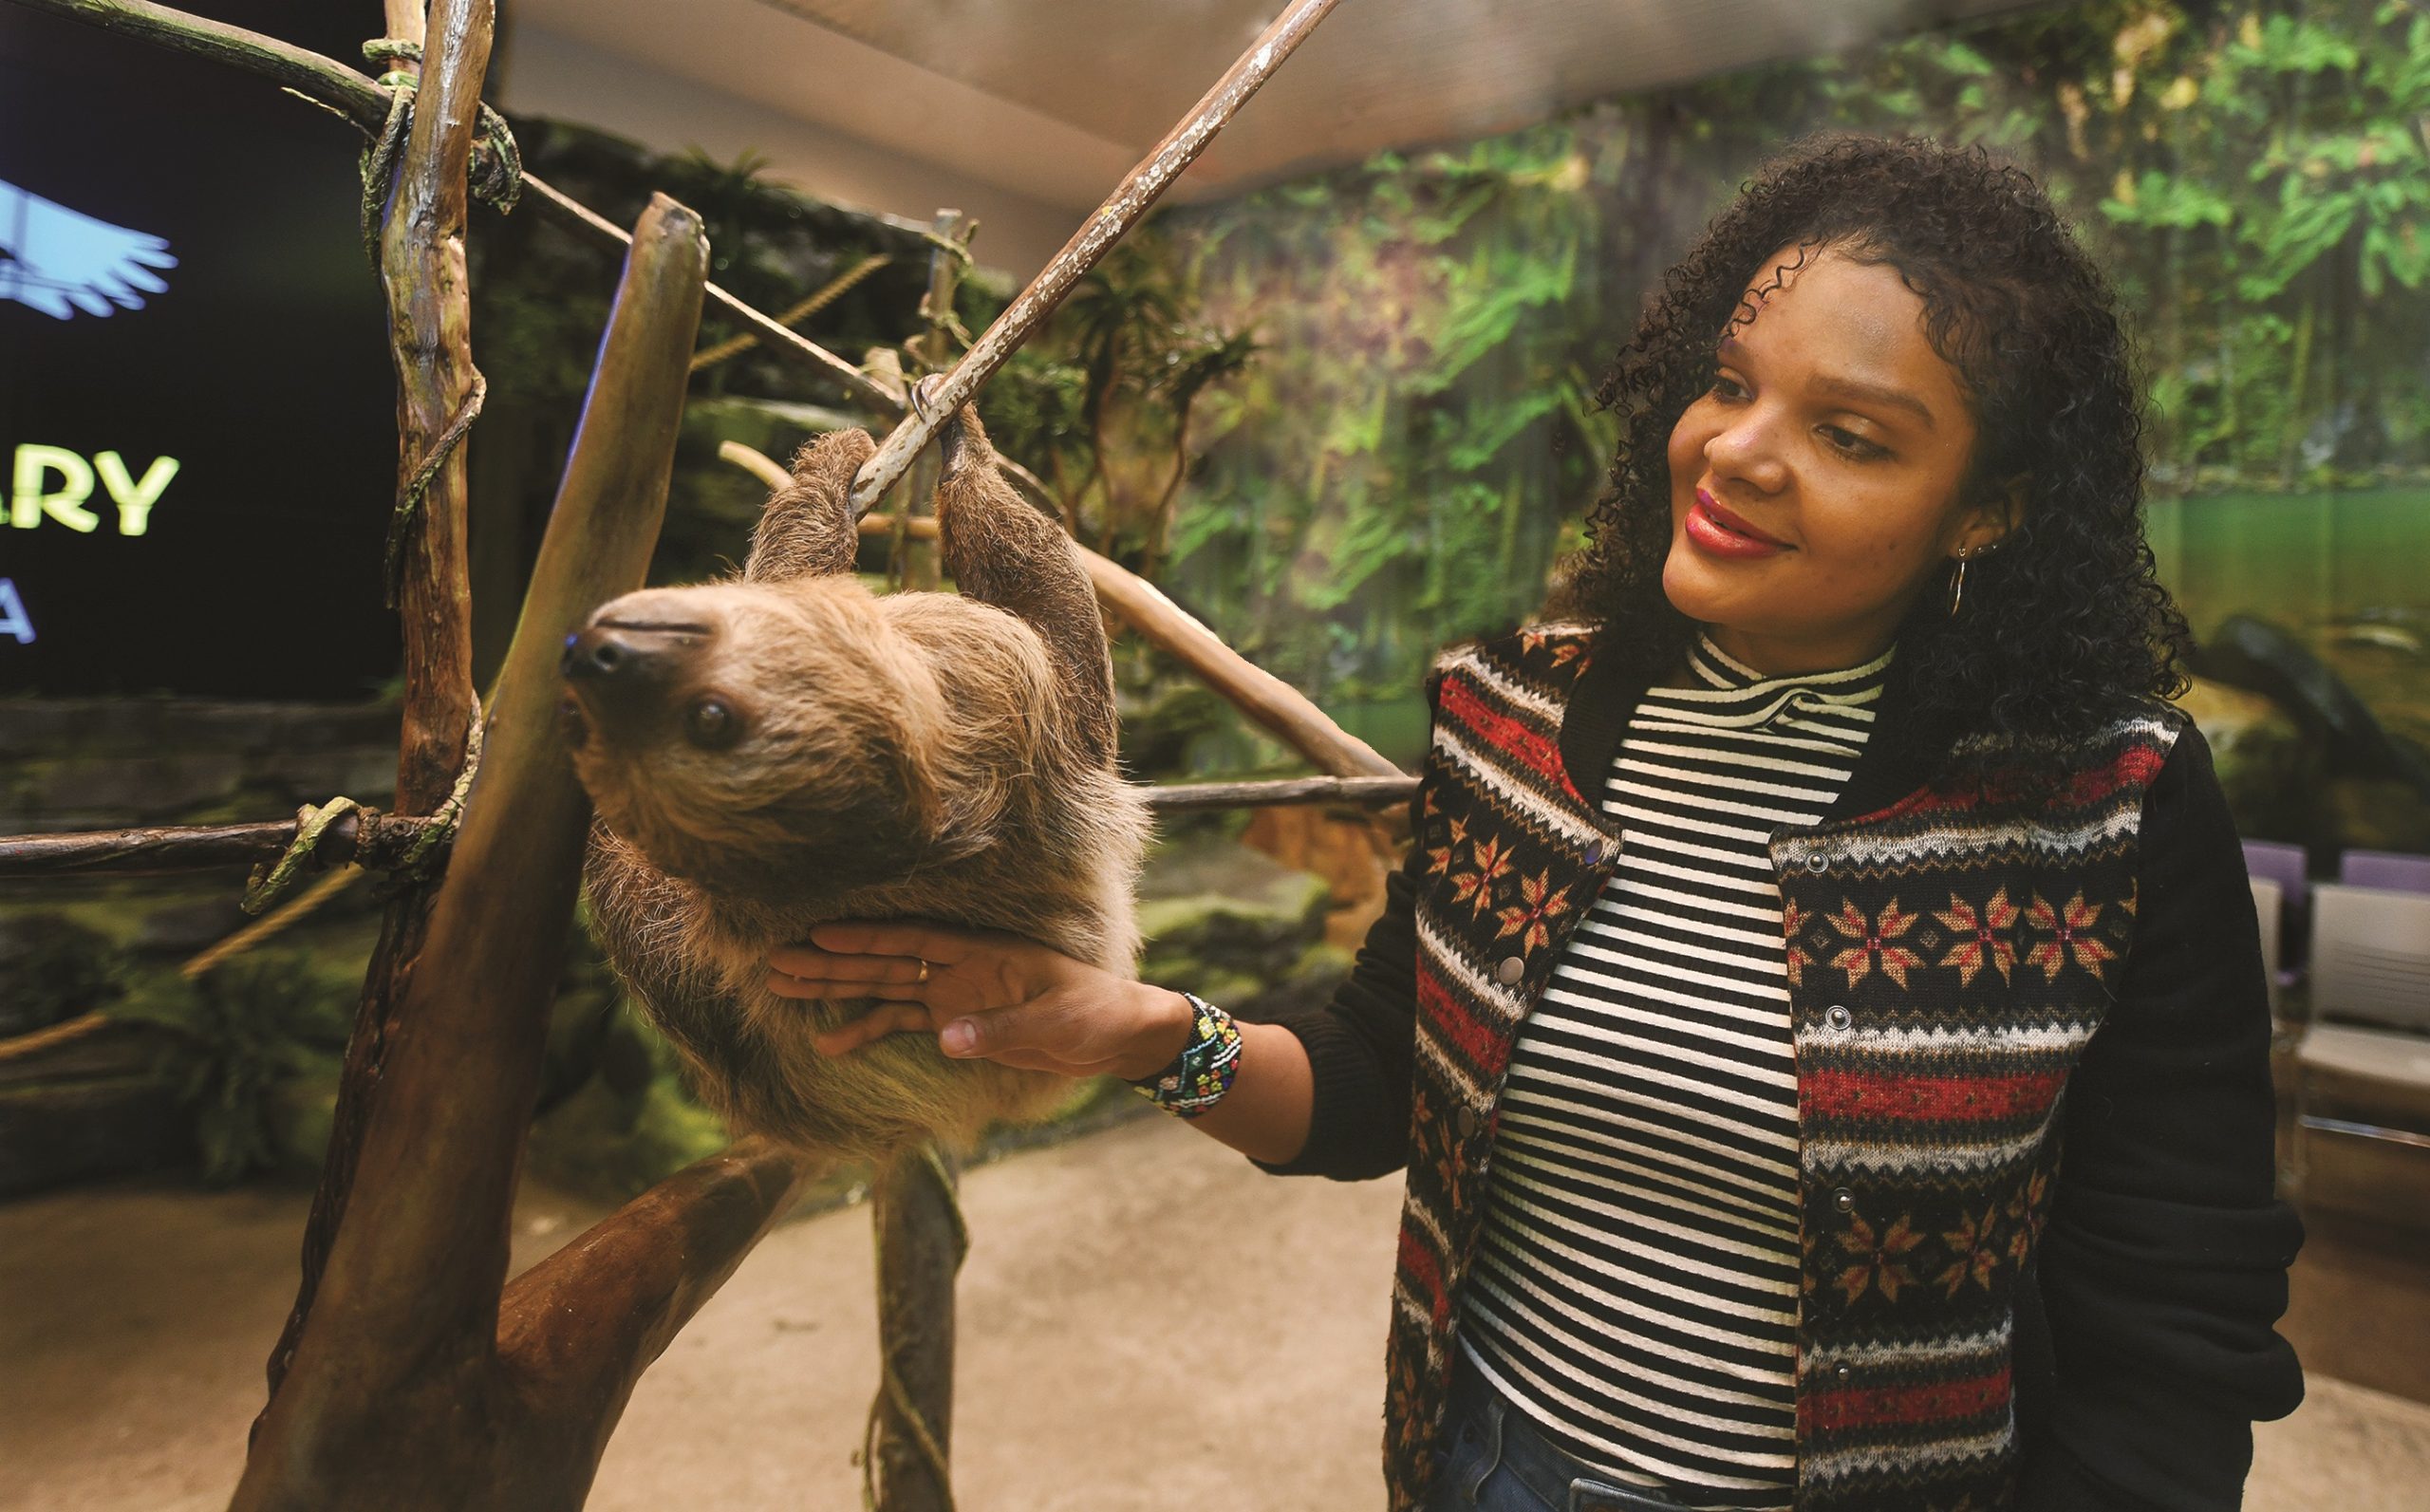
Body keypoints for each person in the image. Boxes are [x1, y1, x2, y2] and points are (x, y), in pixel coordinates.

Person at [764, 134, 2304, 1512]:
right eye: (1731, 380)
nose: (1741, 450)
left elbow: (2179, 1322)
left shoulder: (2108, 806)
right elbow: (1379, 1078)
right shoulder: (1511, 714)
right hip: (1486, 1466)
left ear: (1987, 510)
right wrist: (1143, 1031)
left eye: (1855, 435)